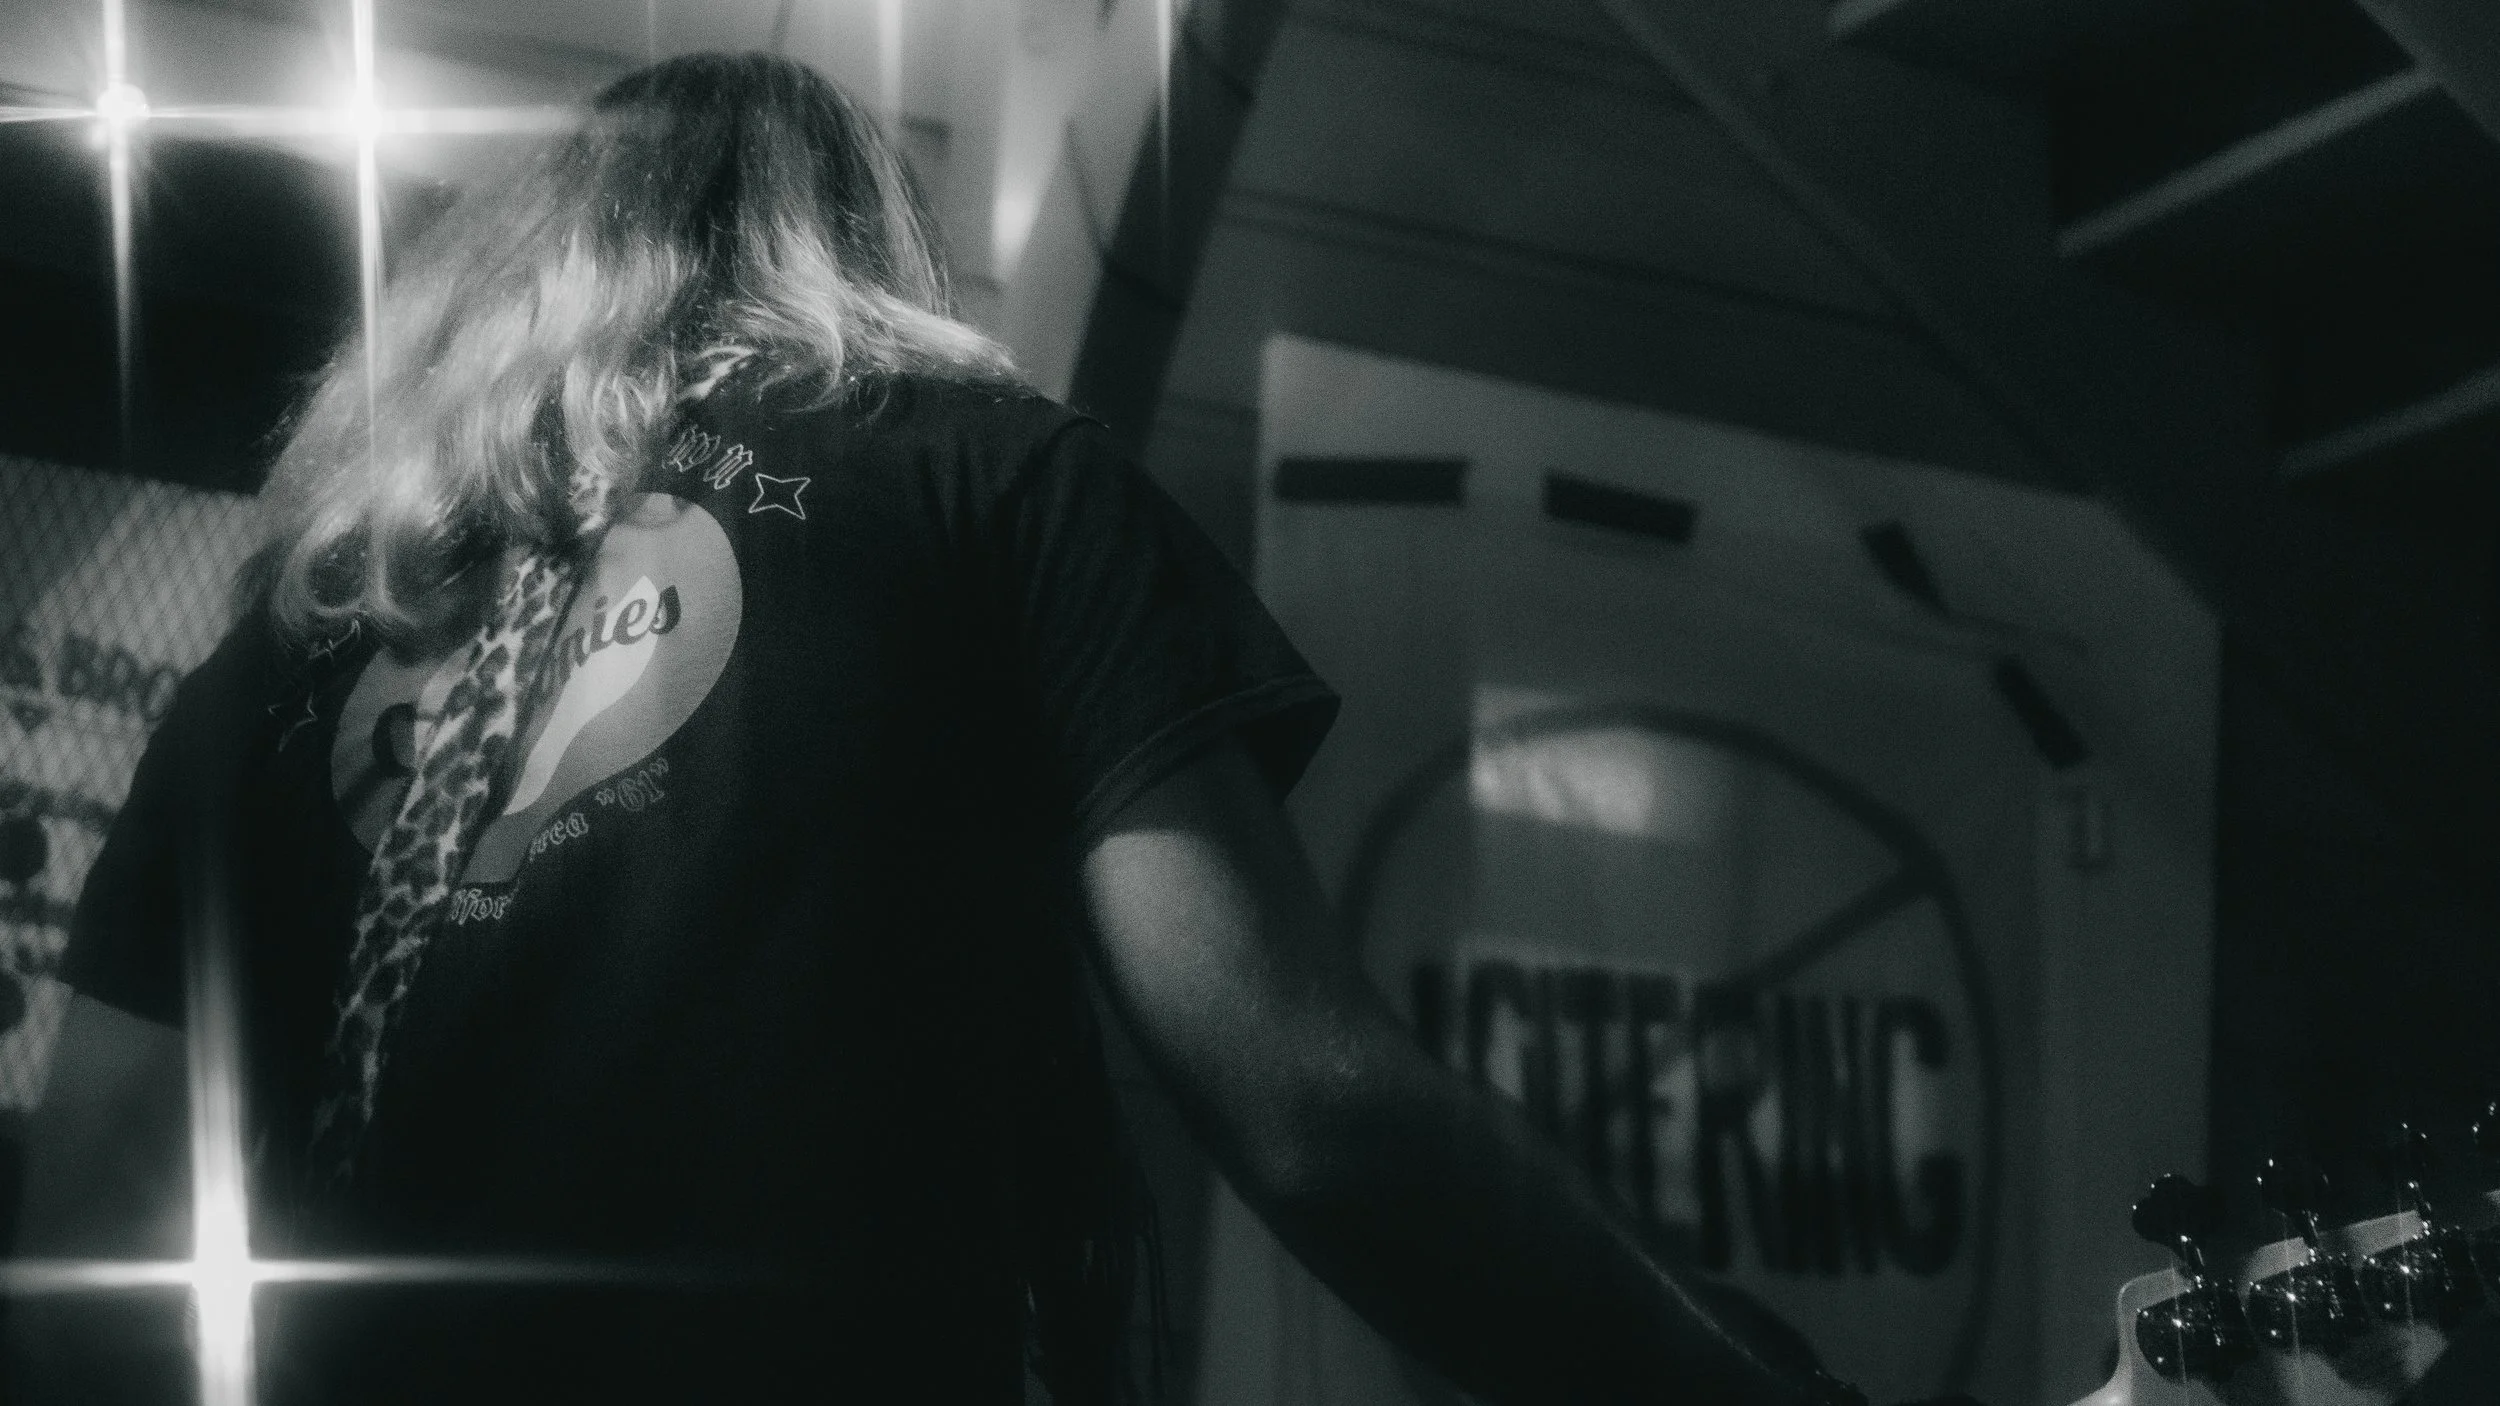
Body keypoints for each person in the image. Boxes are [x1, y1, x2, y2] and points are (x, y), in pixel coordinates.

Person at [5, 52, 1969, 1406]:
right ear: (850, 241)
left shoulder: (310, 623)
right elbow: (1306, 1101)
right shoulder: (990, 476)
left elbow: (91, 1228)